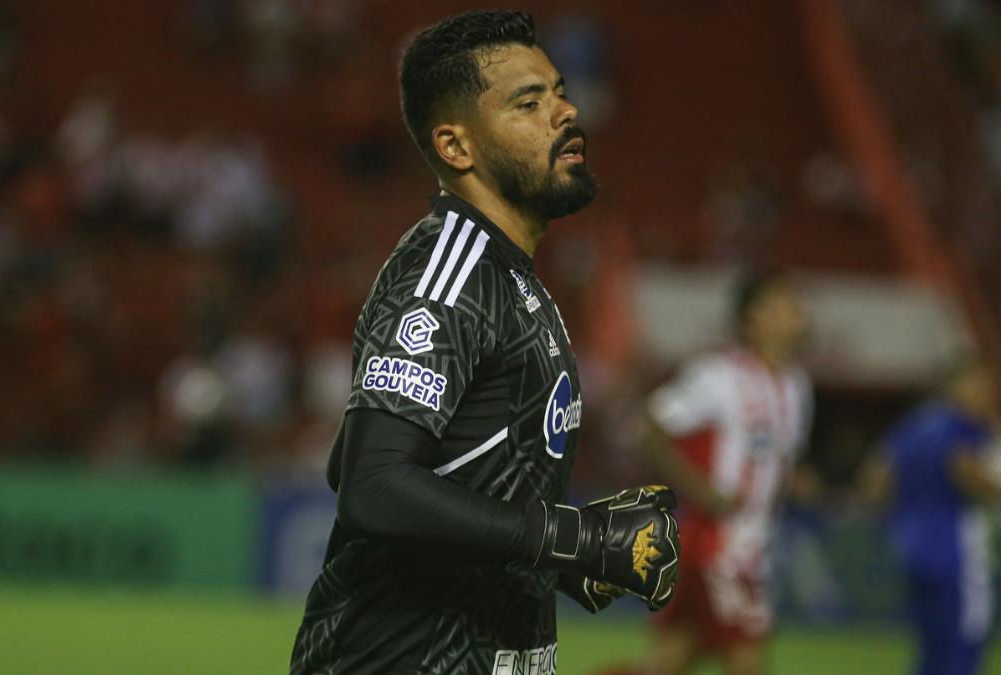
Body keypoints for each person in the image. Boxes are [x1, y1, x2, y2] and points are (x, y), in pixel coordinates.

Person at [289, 10, 681, 675]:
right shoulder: (450, 276)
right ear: (456, 146)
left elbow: (377, 457)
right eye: (529, 102)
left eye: (558, 91)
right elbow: (371, 482)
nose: (565, 112)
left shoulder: (510, 276)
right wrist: (568, 537)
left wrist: (557, 559)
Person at [614, 271, 814, 675]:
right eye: (781, 305)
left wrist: (797, 481)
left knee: (672, 661)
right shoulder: (718, 376)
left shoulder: (797, 387)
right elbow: (649, 427)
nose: (795, 314)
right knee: (746, 659)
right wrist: (701, 490)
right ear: (749, 319)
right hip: (716, 548)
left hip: (755, 548)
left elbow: (775, 460)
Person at [859, 362, 1001, 675]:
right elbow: (965, 471)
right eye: (983, 386)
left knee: (931, 647)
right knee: (964, 643)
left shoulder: (916, 423)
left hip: (909, 546)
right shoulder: (965, 424)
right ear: (959, 388)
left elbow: (876, 483)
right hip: (955, 551)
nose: (991, 396)